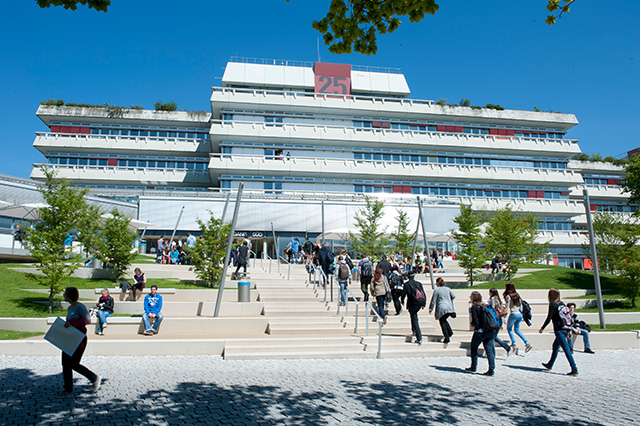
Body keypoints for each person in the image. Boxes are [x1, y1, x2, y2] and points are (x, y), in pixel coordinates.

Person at [60, 287, 101, 396]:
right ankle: (68, 389)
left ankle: (94, 378)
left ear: (70, 295)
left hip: (79, 339)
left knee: (73, 363)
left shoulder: (80, 307)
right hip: (69, 338)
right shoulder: (70, 308)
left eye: (65, 293)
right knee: (65, 363)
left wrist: (73, 323)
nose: (64, 295)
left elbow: (88, 320)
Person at [540, 288, 579, 376]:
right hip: (565, 329)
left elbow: (549, 318)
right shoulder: (562, 304)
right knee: (555, 345)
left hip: (559, 330)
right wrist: (569, 330)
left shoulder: (553, 304)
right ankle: (550, 364)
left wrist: (542, 328)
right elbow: (568, 317)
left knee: (566, 349)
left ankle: (574, 368)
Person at [466, 291, 496, 376]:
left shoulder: (474, 307)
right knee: (489, 351)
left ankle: (473, 366)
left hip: (479, 331)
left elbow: (475, 320)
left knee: (474, 347)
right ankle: (491, 369)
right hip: (489, 330)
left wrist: (474, 325)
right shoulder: (485, 305)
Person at [503, 282, 532, 355]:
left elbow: (506, 307)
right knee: (517, 330)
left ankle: (514, 344)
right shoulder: (517, 294)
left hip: (513, 314)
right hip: (519, 314)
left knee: (509, 329)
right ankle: (527, 343)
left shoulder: (508, 296)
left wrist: (504, 318)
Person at [429, 277, 456, 344]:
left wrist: (430, 308)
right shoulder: (448, 289)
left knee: (442, 322)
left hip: (441, 307)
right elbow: (453, 296)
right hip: (449, 307)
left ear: (438, 283)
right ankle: (449, 332)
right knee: (444, 320)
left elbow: (433, 300)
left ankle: (447, 337)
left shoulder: (436, 290)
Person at [403, 270, 427, 345]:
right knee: (414, 316)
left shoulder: (407, 284)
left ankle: (418, 336)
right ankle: (414, 330)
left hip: (412, 303)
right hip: (419, 302)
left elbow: (403, 294)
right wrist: (424, 303)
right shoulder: (419, 284)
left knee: (414, 318)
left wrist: (402, 300)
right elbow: (423, 293)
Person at [488, 288, 511, 355]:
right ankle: (506, 347)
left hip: (495, 319)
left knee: (492, 337)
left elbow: (492, 309)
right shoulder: (498, 299)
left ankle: (493, 353)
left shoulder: (493, 299)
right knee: (494, 336)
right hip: (499, 319)